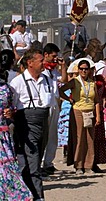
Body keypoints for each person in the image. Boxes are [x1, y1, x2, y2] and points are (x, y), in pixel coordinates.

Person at [10, 48, 57, 201]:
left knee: (36, 157)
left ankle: (26, 193)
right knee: (32, 158)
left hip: (43, 120)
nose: (44, 63)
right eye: (40, 61)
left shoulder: (47, 79)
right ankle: (37, 195)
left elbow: (52, 99)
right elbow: (11, 105)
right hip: (26, 122)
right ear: (30, 63)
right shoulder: (18, 82)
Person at [0, 49, 33, 200]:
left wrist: (10, 113)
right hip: (4, 132)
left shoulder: (7, 84)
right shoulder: (9, 84)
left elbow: (11, 106)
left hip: (3, 132)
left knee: (6, 166)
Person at [59, 58, 101, 175]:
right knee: (79, 137)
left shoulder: (92, 83)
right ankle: (78, 165)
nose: (83, 71)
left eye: (86, 69)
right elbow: (61, 90)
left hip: (90, 111)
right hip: (78, 110)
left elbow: (96, 99)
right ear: (78, 70)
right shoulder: (75, 81)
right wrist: (69, 99)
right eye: (81, 69)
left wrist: (98, 115)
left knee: (90, 138)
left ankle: (89, 164)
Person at [41, 43, 67, 175]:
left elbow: (63, 79)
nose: (55, 58)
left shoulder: (53, 70)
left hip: (54, 104)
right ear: (46, 55)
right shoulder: (40, 69)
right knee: (42, 135)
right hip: (44, 105)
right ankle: (39, 163)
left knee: (52, 135)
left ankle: (48, 162)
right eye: (53, 56)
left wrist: (63, 67)